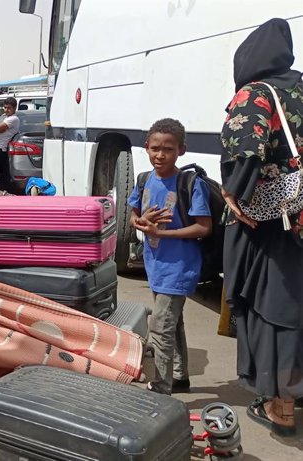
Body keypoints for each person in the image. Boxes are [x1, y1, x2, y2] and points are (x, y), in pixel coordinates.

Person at [220, 18, 303, 436]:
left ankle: (282, 407)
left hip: (275, 223)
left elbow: (247, 149)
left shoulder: (256, 93)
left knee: (277, 309)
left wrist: (233, 194)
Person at [127, 118, 212, 395]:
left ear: (181, 151)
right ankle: (179, 376)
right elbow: (133, 216)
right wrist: (141, 222)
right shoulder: (144, 179)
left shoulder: (190, 183)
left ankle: (161, 387)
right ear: (146, 148)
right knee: (172, 324)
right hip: (155, 266)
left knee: (160, 327)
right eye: (155, 148)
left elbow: (203, 226)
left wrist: (161, 233)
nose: (160, 155)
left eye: (168, 149)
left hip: (179, 267)